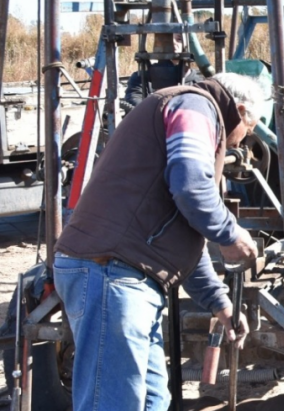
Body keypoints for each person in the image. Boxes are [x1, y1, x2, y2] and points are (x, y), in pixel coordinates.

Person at [53, 72, 265, 411]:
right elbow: (190, 185)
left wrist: (220, 304)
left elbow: (182, 238)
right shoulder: (196, 106)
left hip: (121, 275)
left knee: (152, 401)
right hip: (112, 273)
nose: (240, 144)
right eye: (248, 131)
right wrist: (230, 232)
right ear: (239, 110)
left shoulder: (192, 109)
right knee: (113, 404)